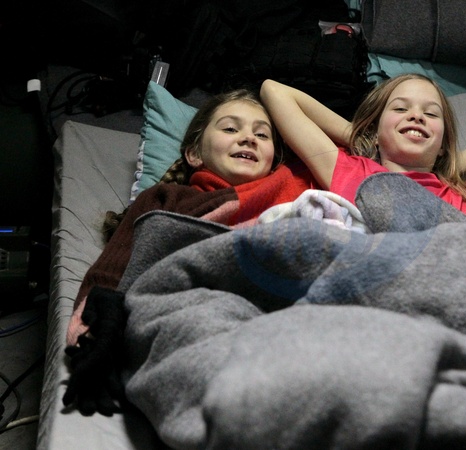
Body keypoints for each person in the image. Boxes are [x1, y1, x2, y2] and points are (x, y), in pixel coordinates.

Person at [63, 88, 316, 415]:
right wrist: (95, 332)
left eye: (262, 134)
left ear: (274, 160)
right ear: (194, 154)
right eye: (230, 128)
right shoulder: (167, 198)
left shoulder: (294, 185)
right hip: (193, 307)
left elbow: (346, 146)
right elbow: (113, 268)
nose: (248, 138)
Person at [260, 74, 466, 224]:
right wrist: (359, 136)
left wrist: (446, 163)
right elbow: (274, 91)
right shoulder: (350, 169)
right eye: (401, 109)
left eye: (431, 114)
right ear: (376, 132)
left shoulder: (457, 198)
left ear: (443, 143)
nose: (416, 116)